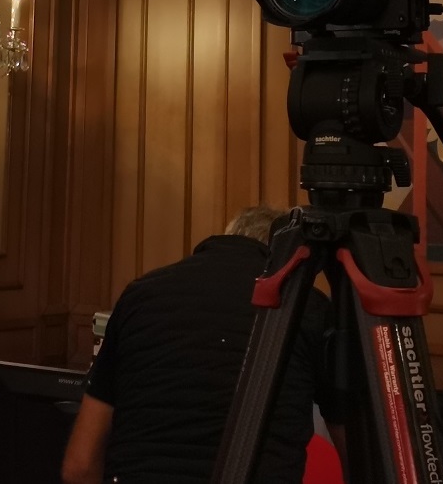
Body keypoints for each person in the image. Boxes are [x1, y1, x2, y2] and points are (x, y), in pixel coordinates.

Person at [60, 205, 333, 484]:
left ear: (230, 234)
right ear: (286, 255)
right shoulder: (308, 307)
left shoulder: (139, 295)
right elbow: (356, 457)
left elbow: (79, 466)